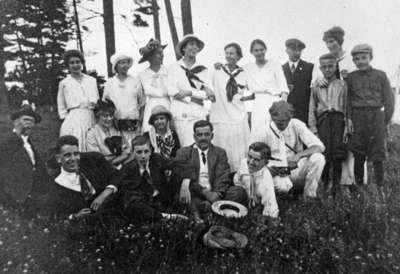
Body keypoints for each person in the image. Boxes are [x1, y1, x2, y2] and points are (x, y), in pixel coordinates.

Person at [174, 120, 248, 222]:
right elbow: (182, 176)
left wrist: (216, 194)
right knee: (184, 192)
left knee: (238, 192)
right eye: (199, 135)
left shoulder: (219, 152)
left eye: (206, 134)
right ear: (194, 136)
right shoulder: (184, 153)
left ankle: (209, 208)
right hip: (196, 193)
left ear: (212, 136)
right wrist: (205, 193)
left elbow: (223, 176)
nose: (203, 138)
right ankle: (209, 213)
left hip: (215, 193)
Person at [253, 101, 326, 200]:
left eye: (285, 121)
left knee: (319, 158)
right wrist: (268, 168)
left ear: (290, 117)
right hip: (276, 172)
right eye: (279, 121)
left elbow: (320, 146)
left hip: (294, 168)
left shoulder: (296, 124)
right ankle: (282, 198)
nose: (282, 124)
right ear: (272, 117)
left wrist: (299, 155)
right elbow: (253, 159)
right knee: (283, 188)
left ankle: (309, 196)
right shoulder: (263, 132)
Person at [347, 44, 394, 190]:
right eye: (357, 59)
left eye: (364, 58)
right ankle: (360, 187)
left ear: (370, 58)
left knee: (377, 154)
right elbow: (347, 100)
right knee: (358, 153)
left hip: (376, 117)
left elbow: (389, 100)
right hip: (358, 117)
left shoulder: (380, 75)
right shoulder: (351, 77)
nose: (360, 61)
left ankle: (379, 187)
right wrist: (349, 118)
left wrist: (384, 120)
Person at [43, 135, 122, 220]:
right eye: (67, 155)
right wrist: (75, 217)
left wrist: (105, 194)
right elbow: (53, 216)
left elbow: (117, 175)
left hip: (110, 210)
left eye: (76, 154)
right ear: (58, 158)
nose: (73, 159)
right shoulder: (57, 183)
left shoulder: (92, 160)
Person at [308, 53, 348, 196]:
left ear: (335, 66)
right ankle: (325, 184)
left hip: (338, 121)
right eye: (324, 67)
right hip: (323, 121)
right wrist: (313, 128)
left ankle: (336, 185)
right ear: (320, 68)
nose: (327, 70)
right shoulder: (317, 86)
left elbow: (346, 107)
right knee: (324, 152)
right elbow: (312, 108)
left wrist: (347, 127)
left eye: (330, 66)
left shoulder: (343, 85)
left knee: (337, 152)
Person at [166, 34, 215, 146]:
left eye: (197, 46)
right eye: (191, 44)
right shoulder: (174, 68)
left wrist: (189, 93)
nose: (194, 47)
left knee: (198, 147)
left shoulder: (203, 70)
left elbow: (209, 94)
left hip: (197, 113)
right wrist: (196, 97)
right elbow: (172, 92)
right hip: (180, 114)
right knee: (183, 148)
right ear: (184, 48)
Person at [0, 105, 50, 213]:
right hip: (16, 196)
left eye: (32, 121)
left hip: (34, 192)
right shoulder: (7, 143)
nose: (29, 124)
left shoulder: (30, 144)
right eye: (26, 120)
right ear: (16, 122)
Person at [209, 43, 250, 173]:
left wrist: (245, 99)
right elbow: (206, 85)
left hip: (237, 117)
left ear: (238, 56)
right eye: (226, 53)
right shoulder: (216, 71)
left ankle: (237, 177)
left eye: (232, 53)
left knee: (237, 153)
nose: (228, 56)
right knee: (221, 149)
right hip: (220, 117)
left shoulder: (244, 73)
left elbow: (253, 91)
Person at [121, 135, 182, 222]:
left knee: (178, 175)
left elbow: (178, 165)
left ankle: (175, 210)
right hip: (145, 202)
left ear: (151, 151)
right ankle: (164, 217)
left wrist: (185, 184)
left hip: (162, 198)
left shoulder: (156, 159)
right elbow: (129, 194)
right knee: (132, 202)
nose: (143, 156)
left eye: (146, 151)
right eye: (139, 152)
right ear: (133, 153)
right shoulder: (128, 169)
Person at [244, 39, 289, 143]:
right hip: (258, 104)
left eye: (261, 49)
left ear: (265, 50)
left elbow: (284, 89)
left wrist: (282, 108)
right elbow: (234, 74)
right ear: (252, 52)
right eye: (256, 50)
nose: (259, 52)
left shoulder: (275, 65)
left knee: (274, 131)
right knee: (258, 132)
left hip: (273, 102)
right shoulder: (247, 68)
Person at [57, 49, 99, 151]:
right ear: (68, 65)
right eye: (72, 63)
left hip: (90, 115)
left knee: (91, 144)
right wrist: (66, 119)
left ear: (82, 63)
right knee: (77, 144)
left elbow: (97, 99)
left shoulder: (91, 81)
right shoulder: (64, 83)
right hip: (73, 119)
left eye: (78, 62)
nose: (75, 65)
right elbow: (61, 104)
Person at [103, 52, 145, 149]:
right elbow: (106, 104)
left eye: (126, 62)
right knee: (119, 150)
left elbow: (142, 103)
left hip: (133, 124)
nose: (125, 65)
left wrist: (140, 119)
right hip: (115, 125)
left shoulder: (135, 81)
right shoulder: (110, 83)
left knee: (134, 148)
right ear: (116, 66)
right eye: (122, 63)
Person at [234, 142, 279, 218]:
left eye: (256, 160)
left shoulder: (266, 181)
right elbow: (237, 181)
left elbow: (272, 210)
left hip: (258, 205)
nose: (251, 162)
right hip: (244, 197)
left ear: (266, 162)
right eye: (250, 157)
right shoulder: (244, 163)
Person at [138, 39, 170, 133]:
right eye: (159, 53)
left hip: (167, 105)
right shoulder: (142, 75)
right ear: (150, 56)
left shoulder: (168, 71)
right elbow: (141, 98)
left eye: (162, 53)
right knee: (150, 132)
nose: (162, 55)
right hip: (151, 106)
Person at [86, 99, 130, 167]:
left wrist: (109, 160)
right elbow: (97, 160)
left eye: (111, 115)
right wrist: (117, 156)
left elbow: (126, 153)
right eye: (105, 116)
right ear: (97, 116)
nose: (109, 119)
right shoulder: (92, 134)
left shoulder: (116, 130)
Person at [282, 38, 314, 124]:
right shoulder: (281, 69)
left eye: (299, 50)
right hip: (286, 114)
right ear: (287, 50)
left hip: (303, 113)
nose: (297, 53)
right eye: (293, 49)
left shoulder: (309, 67)